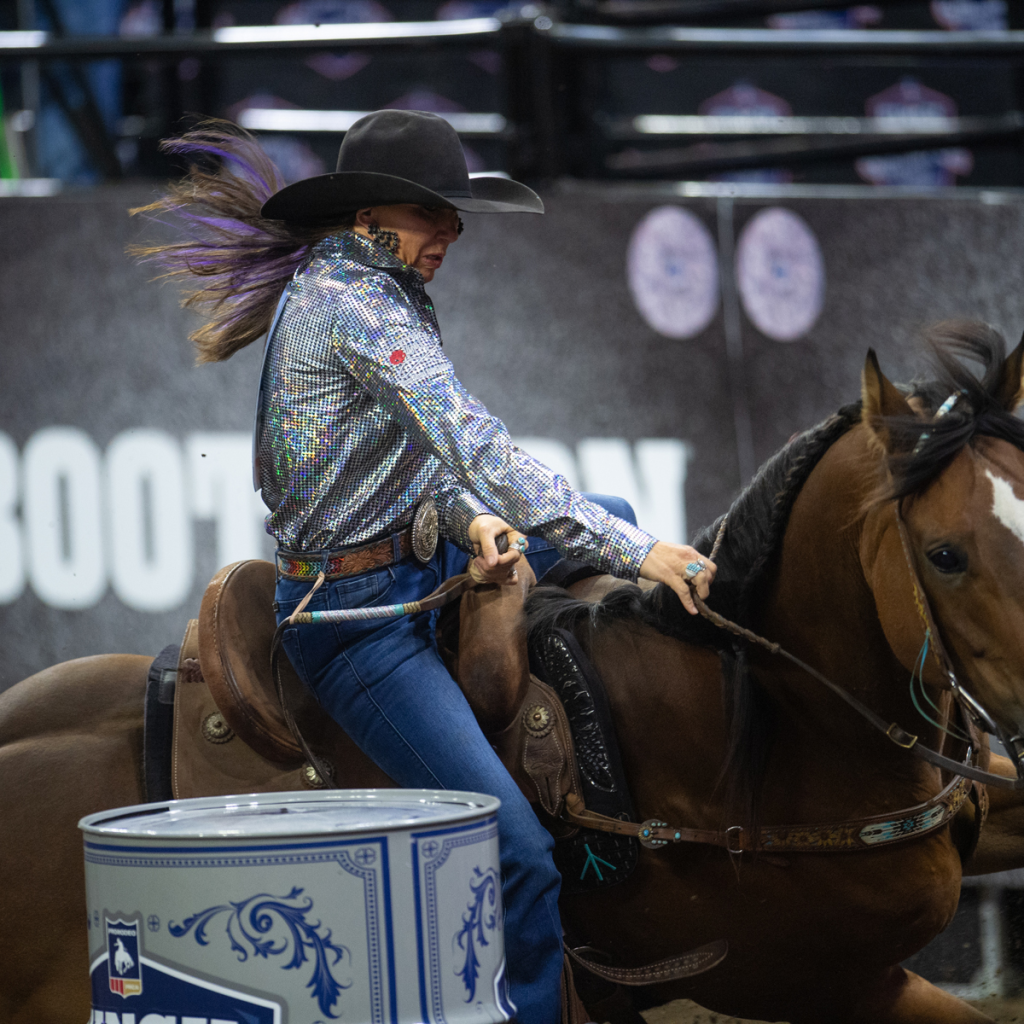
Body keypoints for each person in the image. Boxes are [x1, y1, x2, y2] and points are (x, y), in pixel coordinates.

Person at [133, 110, 716, 1024]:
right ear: (371, 216)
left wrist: (470, 518)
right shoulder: (355, 306)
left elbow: (426, 467)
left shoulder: (376, 288)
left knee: (615, 513)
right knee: (513, 853)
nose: (453, 231)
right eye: (432, 214)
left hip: (416, 562)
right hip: (358, 626)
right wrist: (638, 558)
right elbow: (476, 443)